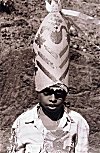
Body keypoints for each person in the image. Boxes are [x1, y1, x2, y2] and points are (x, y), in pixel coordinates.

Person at [8, 0, 89, 152]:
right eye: (47, 92)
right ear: (38, 91)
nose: (53, 98)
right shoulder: (23, 123)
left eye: (59, 93)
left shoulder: (77, 123)